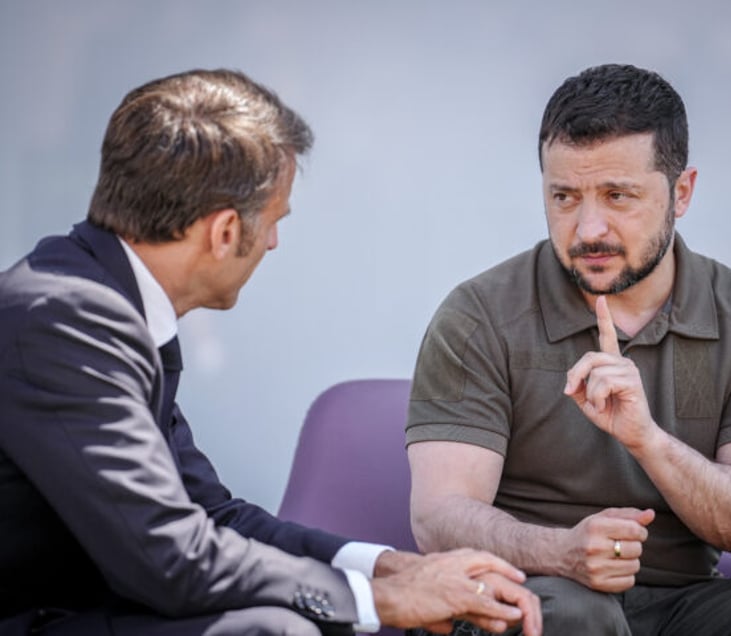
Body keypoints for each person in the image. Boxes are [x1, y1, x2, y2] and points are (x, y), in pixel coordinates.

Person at [0, 69, 542, 636]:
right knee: (277, 630)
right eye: (274, 221)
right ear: (226, 231)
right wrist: (381, 599)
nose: (274, 243)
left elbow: (212, 517)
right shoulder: (68, 322)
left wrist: (385, 566)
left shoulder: (99, 303)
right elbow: (169, 557)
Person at [405, 63, 731, 635]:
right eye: (565, 196)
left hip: (687, 604)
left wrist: (648, 440)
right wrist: (563, 550)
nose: (589, 228)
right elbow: (439, 518)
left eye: (618, 196)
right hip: (529, 593)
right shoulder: (479, 315)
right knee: (578, 616)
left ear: (681, 192)